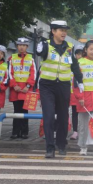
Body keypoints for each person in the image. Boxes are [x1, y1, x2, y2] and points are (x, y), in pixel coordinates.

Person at [36, 21, 83, 158]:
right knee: (49, 116)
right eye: (61, 30)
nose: (64, 33)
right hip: (47, 86)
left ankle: (61, 144)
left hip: (63, 86)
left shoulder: (70, 47)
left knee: (63, 117)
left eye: (65, 30)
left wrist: (80, 80)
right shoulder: (46, 45)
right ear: (53, 31)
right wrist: (40, 48)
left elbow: (74, 65)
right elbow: (40, 53)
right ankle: (50, 147)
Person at [75, 40, 93, 156]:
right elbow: (76, 82)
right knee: (83, 124)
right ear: (86, 50)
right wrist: (80, 96)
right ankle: (83, 146)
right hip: (84, 97)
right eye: (91, 49)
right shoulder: (80, 62)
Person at [8, 37, 36, 139]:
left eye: (24, 45)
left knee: (25, 111)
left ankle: (24, 132)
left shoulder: (31, 59)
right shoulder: (12, 58)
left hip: (25, 90)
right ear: (17, 46)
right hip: (16, 90)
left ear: (27, 47)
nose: (21, 47)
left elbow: (33, 74)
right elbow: (10, 73)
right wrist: (14, 85)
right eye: (20, 45)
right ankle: (15, 132)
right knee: (16, 111)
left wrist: (28, 86)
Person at [69, 43, 85, 141]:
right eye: (77, 54)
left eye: (81, 54)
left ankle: (83, 131)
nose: (79, 56)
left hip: (83, 94)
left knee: (83, 114)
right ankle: (75, 131)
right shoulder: (71, 66)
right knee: (74, 113)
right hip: (73, 94)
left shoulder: (86, 65)